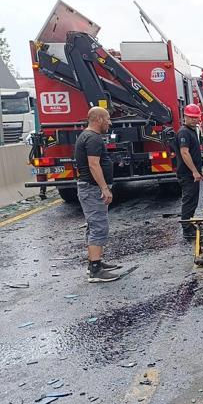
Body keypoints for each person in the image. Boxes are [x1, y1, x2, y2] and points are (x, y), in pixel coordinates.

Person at [74, 107, 121, 283]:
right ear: (99, 119)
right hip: (92, 189)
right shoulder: (92, 138)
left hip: (90, 188)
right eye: (107, 119)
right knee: (98, 226)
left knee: (94, 225)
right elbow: (94, 165)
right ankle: (95, 270)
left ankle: (96, 262)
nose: (109, 122)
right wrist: (104, 188)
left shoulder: (87, 136)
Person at [176, 104, 203, 239]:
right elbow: (185, 152)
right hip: (187, 174)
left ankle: (189, 223)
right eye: (191, 117)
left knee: (193, 200)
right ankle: (187, 229)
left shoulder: (192, 130)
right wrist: (194, 171)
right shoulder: (184, 132)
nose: (194, 120)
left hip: (192, 173)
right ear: (185, 117)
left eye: (196, 117)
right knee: (189, 200)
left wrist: (199, 170)